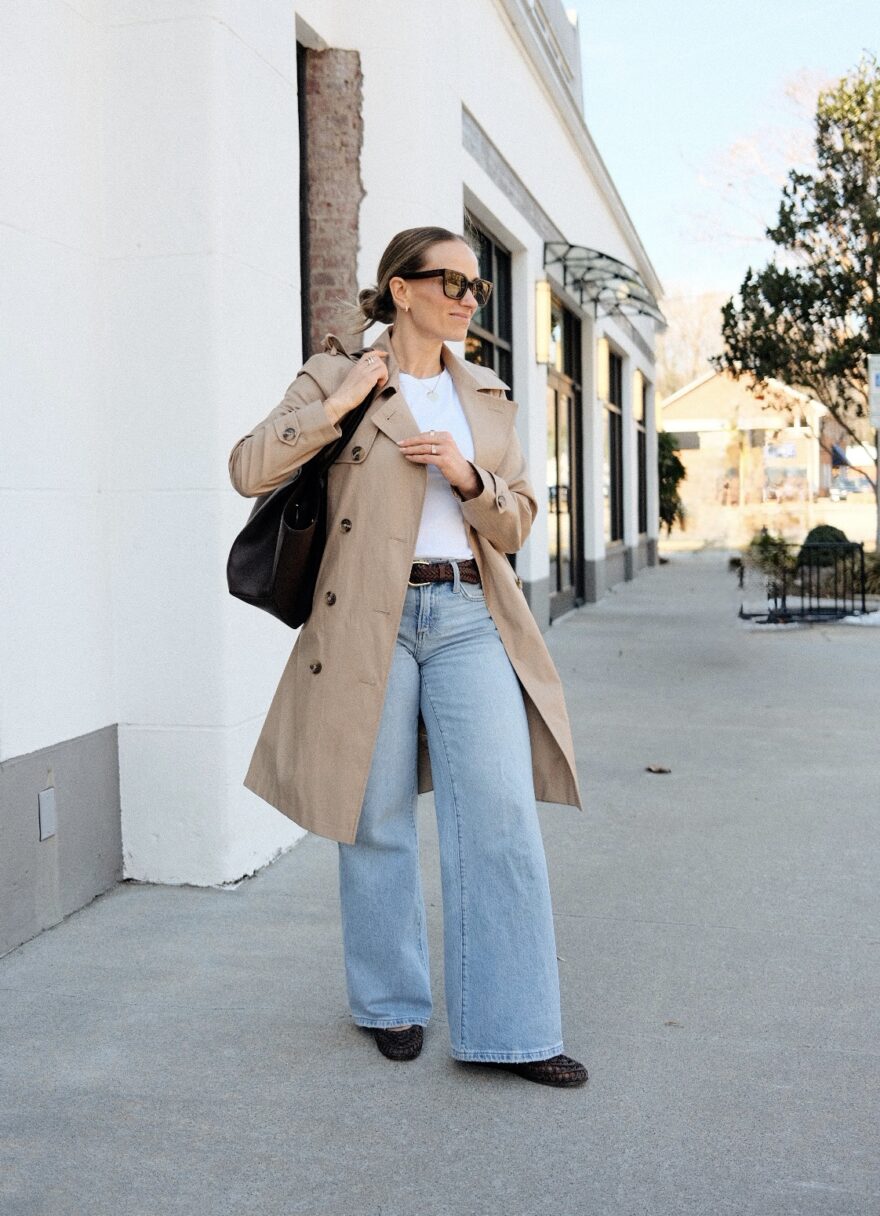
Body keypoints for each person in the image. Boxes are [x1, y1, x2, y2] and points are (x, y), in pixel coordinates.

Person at [228, 226, 587, 1087]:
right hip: (368, 622)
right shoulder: (338, 372)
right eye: (452, 282)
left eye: (477, 288)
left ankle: (515, 1029)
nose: (469, 298)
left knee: (498, 820)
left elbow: (520, 520)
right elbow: (248, 468)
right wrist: (342, 401)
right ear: (400, 288)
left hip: (467, 613)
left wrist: (470, 479)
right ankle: (392, 1004)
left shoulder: (487, 394)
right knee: (377, 817)